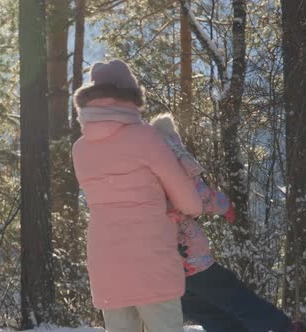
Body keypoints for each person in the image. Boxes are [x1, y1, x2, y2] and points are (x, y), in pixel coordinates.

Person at [72, 59, 203, 332]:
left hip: (105, 262)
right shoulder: (145, 137)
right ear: (129, 96)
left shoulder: (80, 149)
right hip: (151, 260)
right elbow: (190, 203)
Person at [150, 113, 306, 332]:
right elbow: (196, 195)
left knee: (204, 311)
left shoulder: (140, 168)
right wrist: (225, 205)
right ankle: (282, 327)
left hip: (161, 263)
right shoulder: (172, 157)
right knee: (233, 295)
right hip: (190, 255)